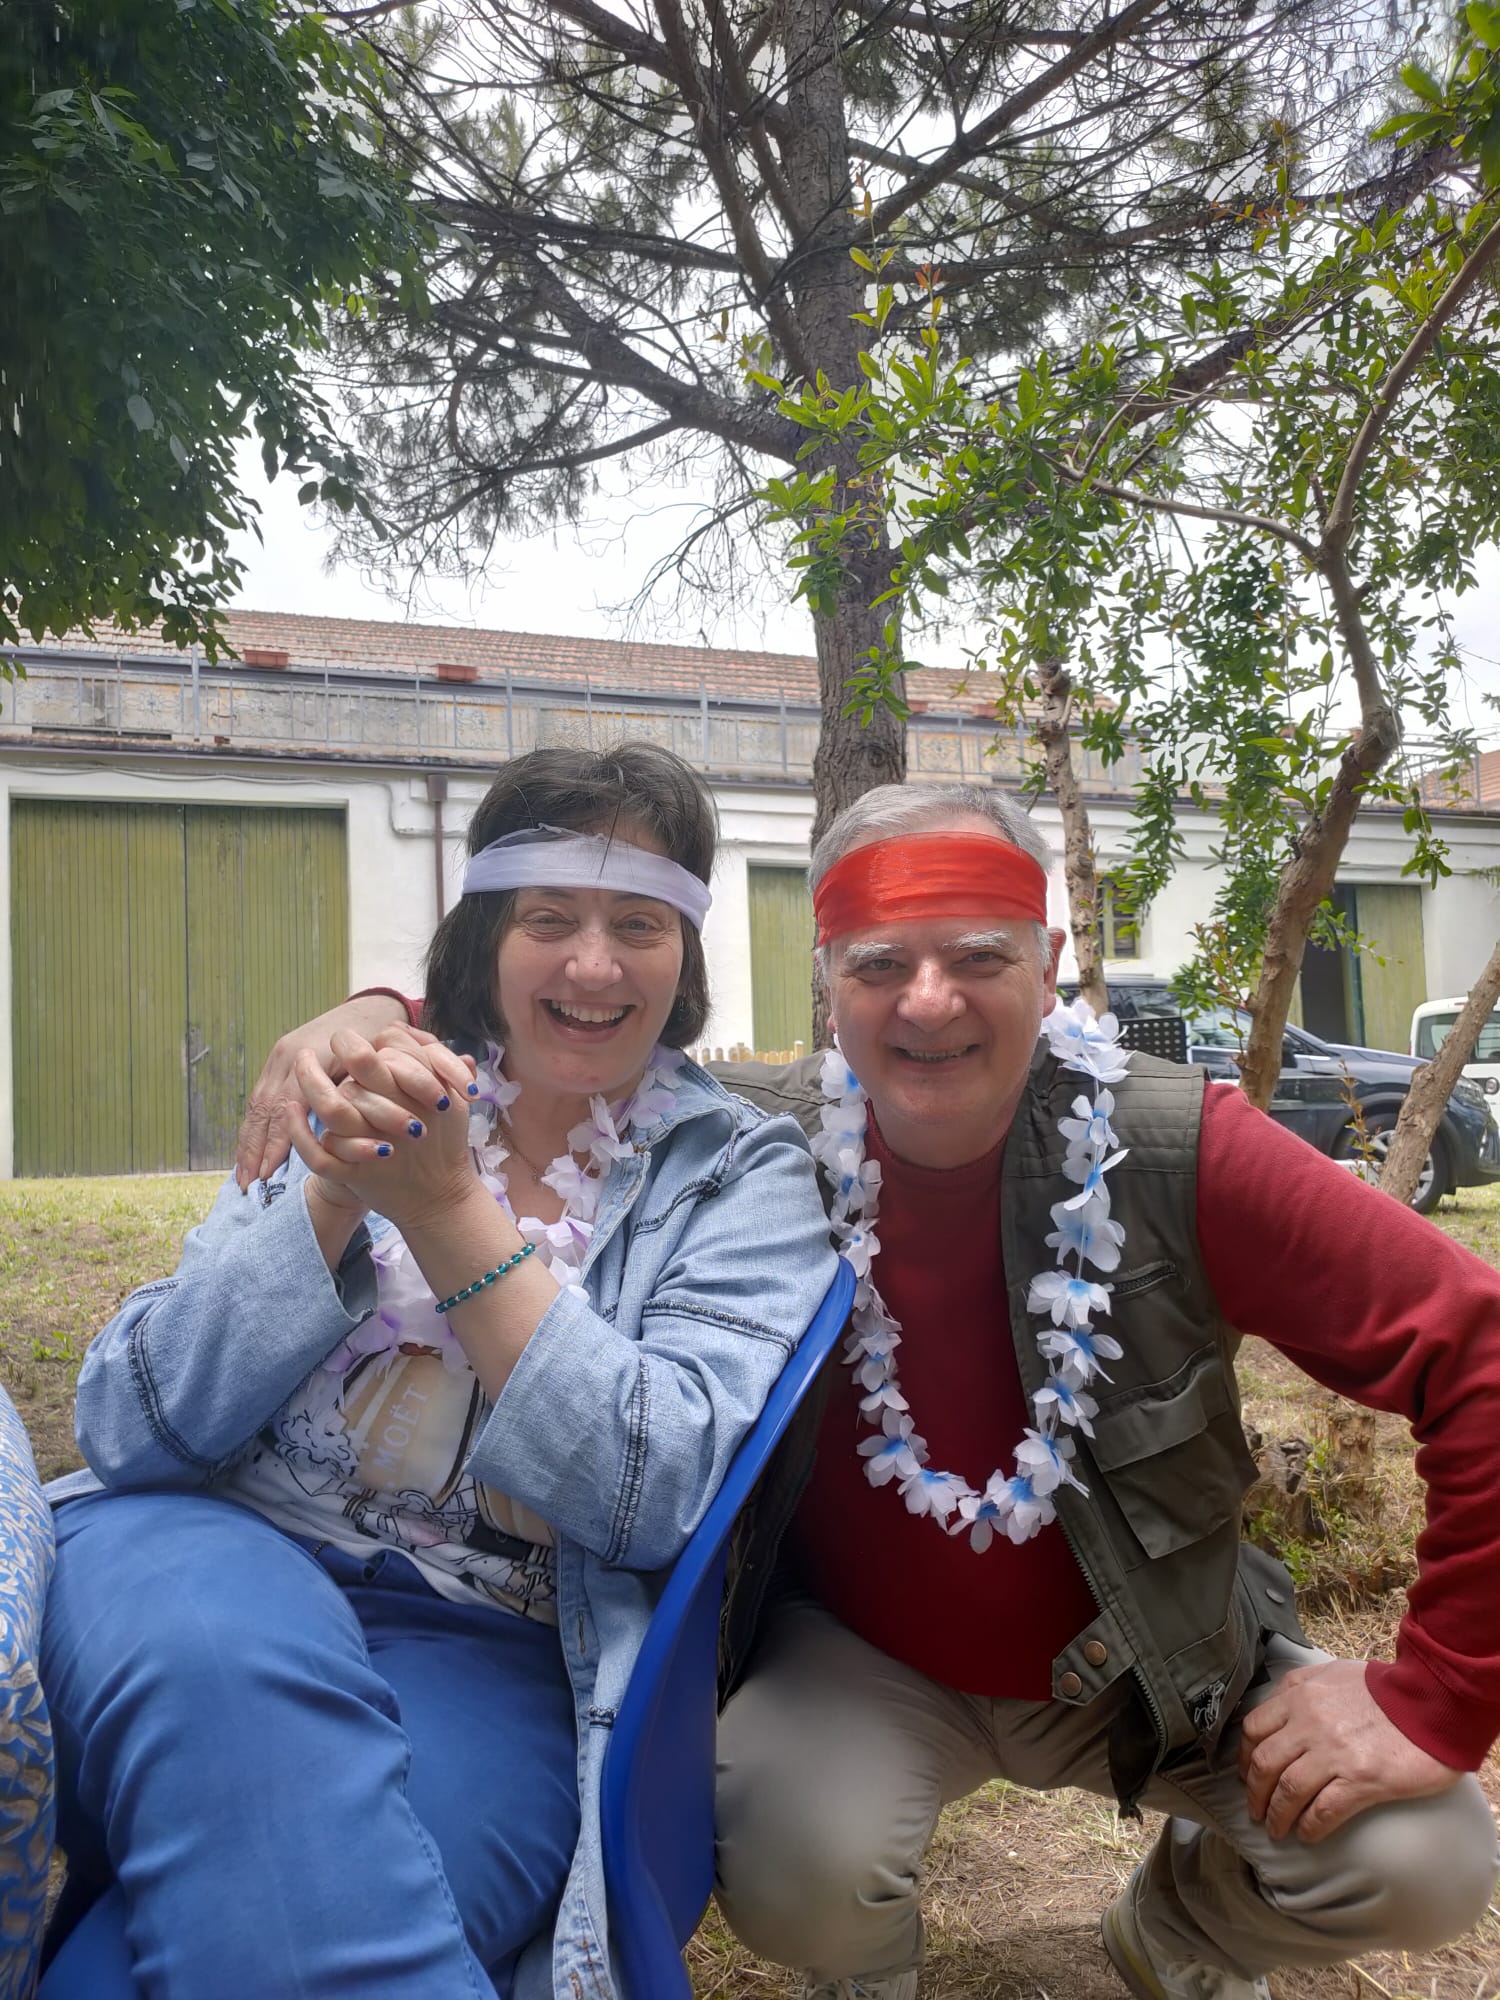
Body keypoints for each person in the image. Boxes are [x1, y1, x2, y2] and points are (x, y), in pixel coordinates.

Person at [243, 781, 1500, 2000]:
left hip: (1158, 1660)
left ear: (1050, 963)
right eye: (881, 962)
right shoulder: (755, 1140)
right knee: (792, 1858)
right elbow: (566, 1018)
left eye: (979, 955)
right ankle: (865, 1957)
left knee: (1424, 1857)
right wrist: (371, 1014)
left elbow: (1479, 1349)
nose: (928, 999)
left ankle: (1181, 1923)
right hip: (862, 1662)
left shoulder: (1177, 1149)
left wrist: (1436, 1694)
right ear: (828, 981)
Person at [39, 743, 838, 2000]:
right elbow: (133, 1425)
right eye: (548, 919)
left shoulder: (734, 1173)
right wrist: (336, 1191)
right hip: (208, 1554)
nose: (593, 964)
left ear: (685, 952)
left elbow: (653, 1495)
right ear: (485, 937)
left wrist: (451, 1210)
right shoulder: (362, 1087)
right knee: (218, 1653)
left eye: (639, 923)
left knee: (109, 1975)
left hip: (491, 1649)